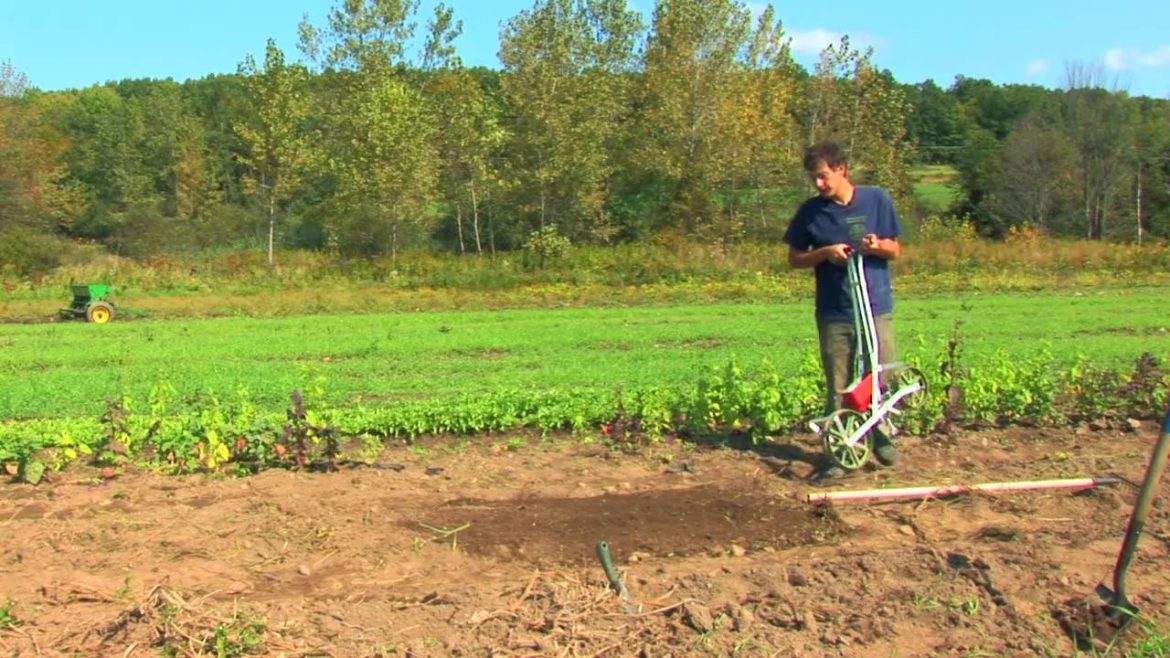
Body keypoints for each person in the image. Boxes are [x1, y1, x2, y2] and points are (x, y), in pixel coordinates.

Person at [783, 142, 903, 481]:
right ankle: (839, 453)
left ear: (842, 170)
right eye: (813, 179)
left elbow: (895, 249)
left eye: (822, 176)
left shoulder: (876, 200)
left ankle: (880, 436)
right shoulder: (811, 212)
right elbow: (795, 259)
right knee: (839, 383)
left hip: (876, 305)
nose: (818, 184)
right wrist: (825, 253)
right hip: (835, 310)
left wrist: (877, 247)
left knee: (881, 374)